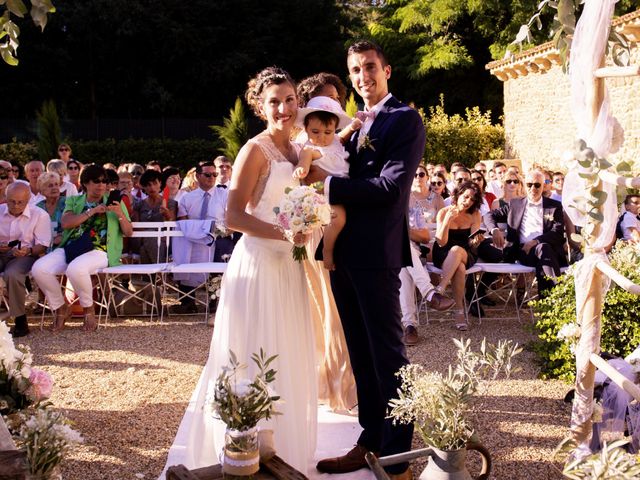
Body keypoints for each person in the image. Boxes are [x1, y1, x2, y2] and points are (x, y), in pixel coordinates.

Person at [162, 67, 317, 475]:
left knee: (284, 352)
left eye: (289, 99)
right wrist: (285, 233)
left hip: (289, 266)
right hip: (259, 265)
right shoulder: (255, 149)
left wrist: (308, 224)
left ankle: (276, 451)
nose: (283, 108)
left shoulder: (299, 148)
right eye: (274, 102)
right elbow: (232, 216)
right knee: (250, 354)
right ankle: (240, 452)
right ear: (260, 107)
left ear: (298, 101)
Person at [312, 41, 434, 480]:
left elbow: (389, 189)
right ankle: (369, 441)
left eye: (370, 68)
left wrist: (325, 186)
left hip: (377, 254)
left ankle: (398, 457)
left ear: (387, 70)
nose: (363, 76)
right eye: (356, 70)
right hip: (340, 254)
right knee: (360, 354)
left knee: (388, 356)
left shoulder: (405, 119)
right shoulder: (349, 124)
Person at [32, 164, 132, 332]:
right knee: (39, 269)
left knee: (76, 269)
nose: (101, 185)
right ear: (85, 183)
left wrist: (120, 214)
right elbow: (66, 223)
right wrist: (91, 212)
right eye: (96, 181)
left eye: (104, 181)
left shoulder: (114, 201)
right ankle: (60, 308)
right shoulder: (74, 200)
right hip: (72, 247)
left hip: (100, 250)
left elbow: (128, 232)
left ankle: (89, 311)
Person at [293, 96, 359, 270]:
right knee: (337, 220)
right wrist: (302, 167)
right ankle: (327, 251)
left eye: (327, 132)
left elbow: (342, 137)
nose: (322, 137)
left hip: (344, 188)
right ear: (306, 129)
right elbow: (305, 157)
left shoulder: (335, 140)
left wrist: (352, 127)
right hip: (325, 193)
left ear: (334, 129)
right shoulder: (311, 148)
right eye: (315, 132)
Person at [484, 170, 566, 297]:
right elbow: (489, 216)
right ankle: (554, 298)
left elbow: (558, 232)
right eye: (529, 184)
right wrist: (494, 230)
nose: (533, 188)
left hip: (547, 251)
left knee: (543, 248)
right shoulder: (515, 204)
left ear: (543, 186)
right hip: (522, 253)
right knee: (544, 251)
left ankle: (549, 299)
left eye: (537, 185)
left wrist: (535, 241)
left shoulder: (554, 206)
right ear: (524, 185)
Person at [399, 165, 455, 345]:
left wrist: (400, 230)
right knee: (402, 252)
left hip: (409, 250)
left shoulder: (412, 206)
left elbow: (423, 236)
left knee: (403, 258)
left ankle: (410, 326)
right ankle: (430, 294)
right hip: (382, 252)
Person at [0, 183, 51, 337]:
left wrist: (28, 250)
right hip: (1, 253)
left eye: (20, 202)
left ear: (28, 199)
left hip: (25, 255)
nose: (15, 205)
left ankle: (20, 319)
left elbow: (42, 245)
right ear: (5, 198)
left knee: (13, 274)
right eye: (12, 201)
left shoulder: (40, 215)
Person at [432, 181, 484, 331]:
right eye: (466, 197)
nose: (468, 201)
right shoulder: (443, 212)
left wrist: (476, 241)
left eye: (472, 199)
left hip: (466, 252)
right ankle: (459, 313)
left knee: (457, 250)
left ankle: (440, 289)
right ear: (458, 194)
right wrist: (447, 221)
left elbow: (472, 244)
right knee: (459, 268)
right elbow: (441, 242)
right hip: (443, 252)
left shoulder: (475, 214)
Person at [132, 170, 177, 263]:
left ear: (160, 183)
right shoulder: (139, 205)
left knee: (144, 250)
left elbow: (172, 221)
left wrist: (166, 213)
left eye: (154, 183)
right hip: (144, 239)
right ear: (144, 187)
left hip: (165, 241)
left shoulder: (170, 203)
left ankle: (157, 274)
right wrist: (150, 235)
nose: (152, 187)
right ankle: (161, 273)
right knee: (147, 243)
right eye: (148, 185)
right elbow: (136, 226)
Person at [35, 172, 66, 251]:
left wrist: (62, 236)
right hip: (43, 248)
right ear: (42, 190)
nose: (54, 188)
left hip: (64, 246)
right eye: (50, 186)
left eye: (56, 184)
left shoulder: (67, 203)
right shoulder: (38, 207)